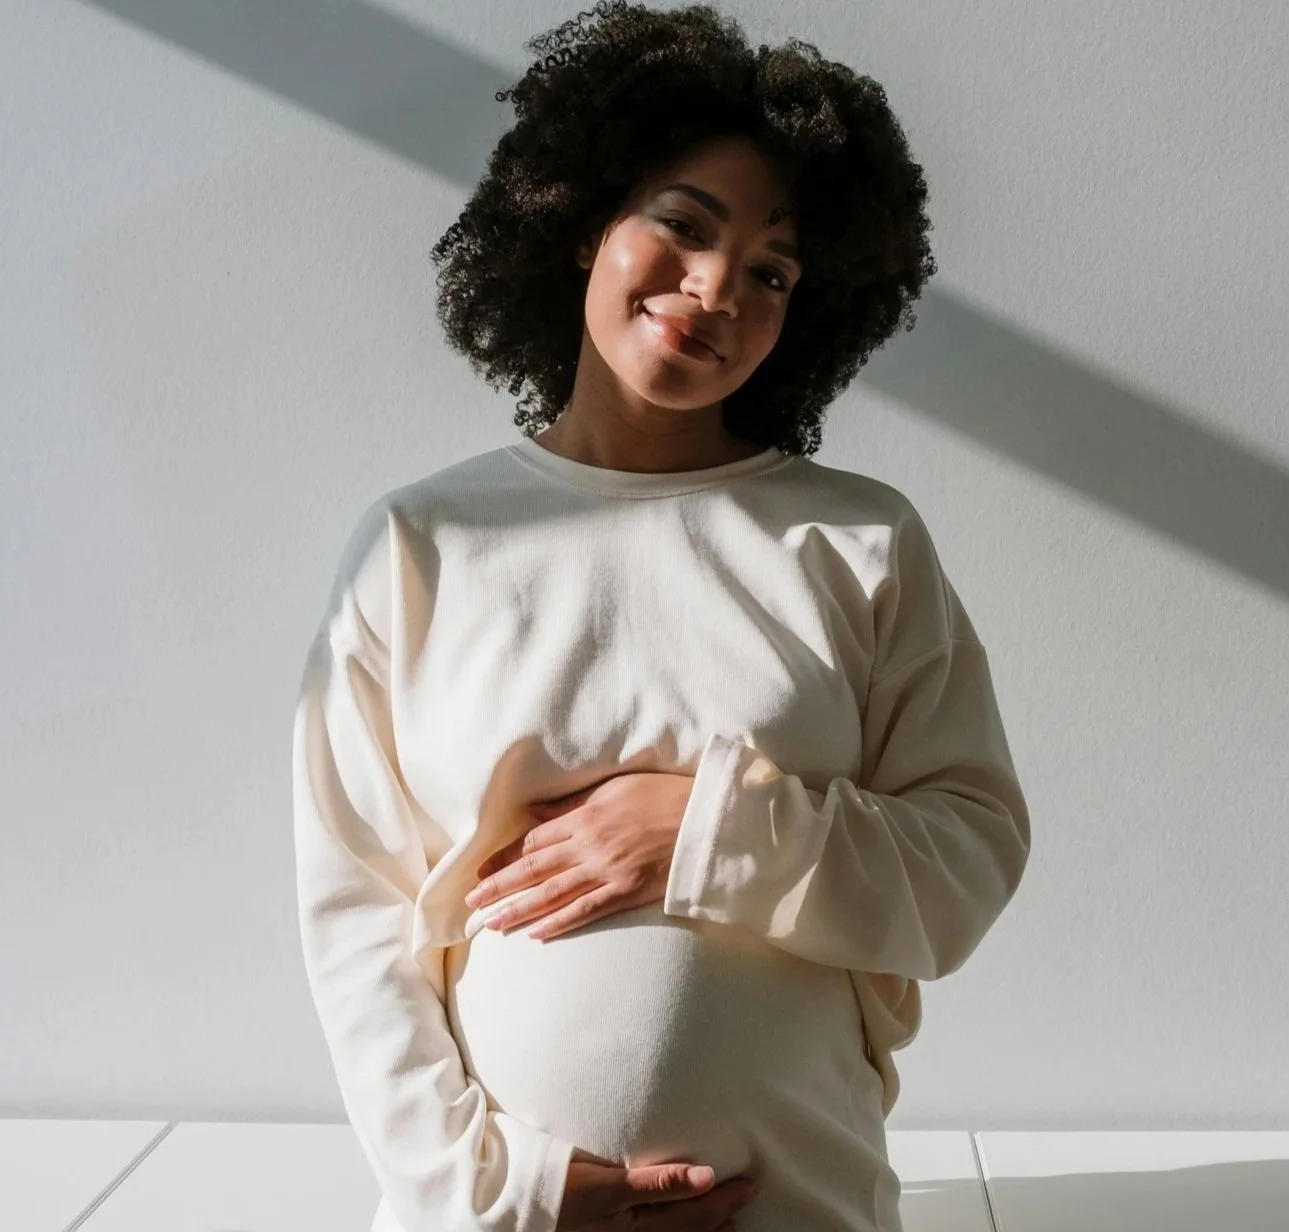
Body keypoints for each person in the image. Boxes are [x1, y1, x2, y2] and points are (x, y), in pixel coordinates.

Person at [290, 4, 1032, 1230]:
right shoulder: (424, 544)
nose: (713, 290)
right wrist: (506, 1193)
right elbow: (358, 919)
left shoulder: (857, 542)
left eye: (772, 272)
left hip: (800, 1206)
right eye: (684, 225)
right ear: (586, 218)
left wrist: (707, 826)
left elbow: (967, 860)